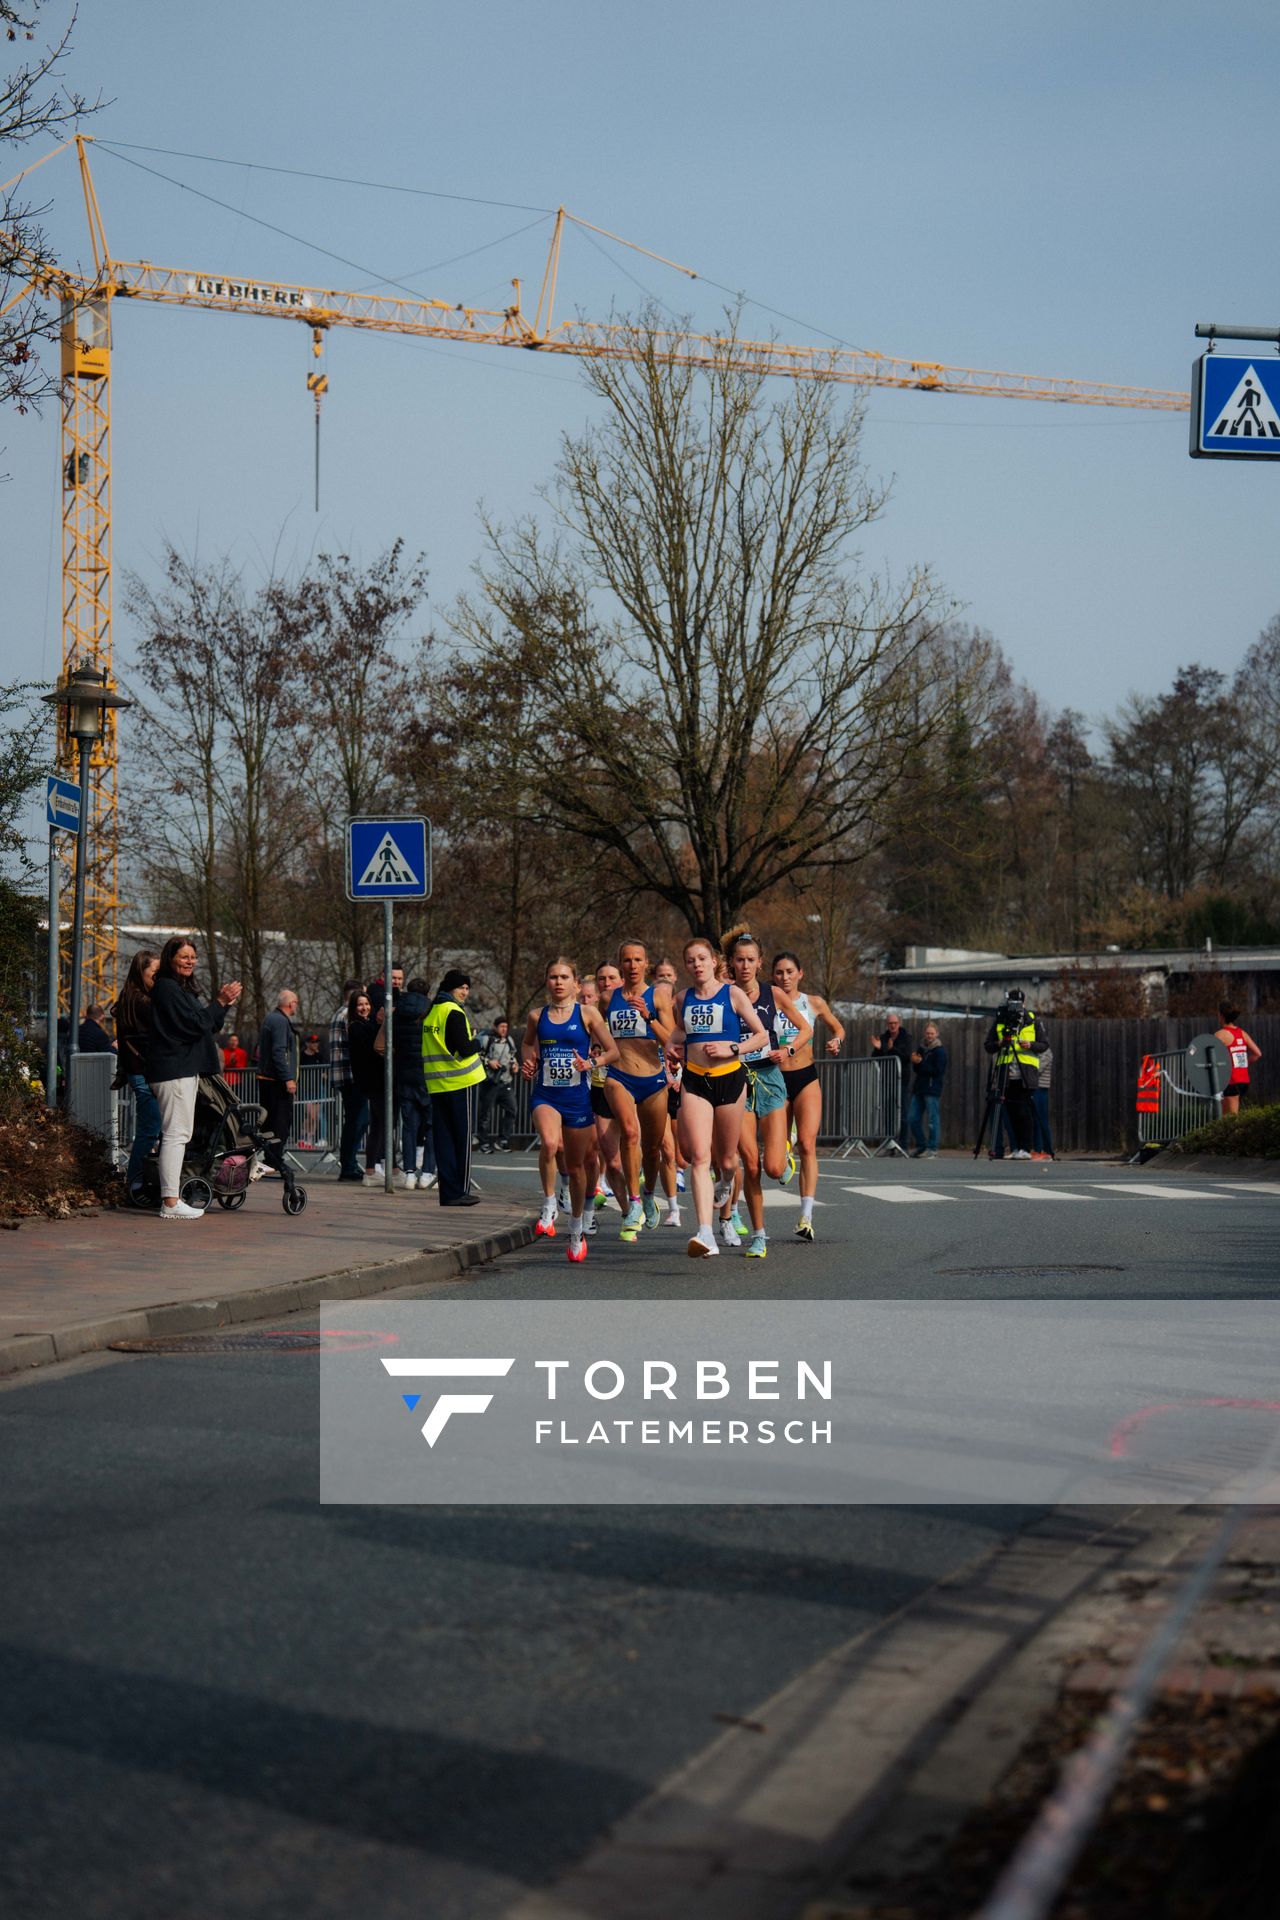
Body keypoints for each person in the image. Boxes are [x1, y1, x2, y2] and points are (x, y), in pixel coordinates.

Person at [670, 936, 769, 1258]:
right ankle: (705, 1233)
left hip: (729, 1079)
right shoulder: (682, 998)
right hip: (695, 1080)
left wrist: (734, 1047)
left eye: (702, 958)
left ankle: (726, 1181)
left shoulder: (733, 993)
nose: (696, 965)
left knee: (727, 1159)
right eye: (690, 960)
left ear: (714, 962)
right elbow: (677, 1034)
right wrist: (671, 1046)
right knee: (699, 1157)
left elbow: (762, 1035)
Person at [522, 958, 619, 1262]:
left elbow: (613, 1051)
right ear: (547, 981)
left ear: (576, 984)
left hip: (577, 1097)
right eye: (553, 977)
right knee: (550, 1143)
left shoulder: (587, 1014)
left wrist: (592, 1063)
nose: (558, 982)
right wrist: (528, 1062)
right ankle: (550, 1203)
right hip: (546, 1095)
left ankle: (576, 1227)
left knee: (577, 1167)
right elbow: (527, 1046)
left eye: (564, 977)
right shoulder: (537, 1016)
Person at [724, 930, 811, 1258]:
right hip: (737, 1082)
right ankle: (759, 1235)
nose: (745, 965)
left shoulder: (772, 994)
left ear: (759, 963)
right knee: (750, 1162)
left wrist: (786, 1051)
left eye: (750, 960)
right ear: (731, 963)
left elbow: (806, 1029)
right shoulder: (725, 996)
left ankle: (784, 1157)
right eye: (739, 960)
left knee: (773, 1167)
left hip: (770, 1078)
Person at [147, 936, 241, 1220]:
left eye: (193, 957)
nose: (190, 961)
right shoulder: (166, 988)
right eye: (184, 956)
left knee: (179, 1134)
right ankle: (171, 1202)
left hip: (182, 1069)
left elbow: (205, 1022)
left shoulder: (179, 988)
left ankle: (172, 1199)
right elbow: (193, 1025)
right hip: (174, 1070)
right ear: (170, 958)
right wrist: (219, 1002)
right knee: (176, 1135)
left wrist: (222, 1006)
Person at [770, 952, 846, 1243]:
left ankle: (806, 1216)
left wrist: (836, 1039)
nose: (784, 977)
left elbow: (837, 1026)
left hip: (805, 1077)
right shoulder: (768, 1002)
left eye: (789, 971)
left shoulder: (813, 1002)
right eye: (779, 972)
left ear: (800, 973)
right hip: (775, 1079)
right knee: (775, 1160)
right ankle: (783, 1148)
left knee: (809, 1143)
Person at [604, 939, 676, 1242]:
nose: (632, 966)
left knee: (653, 1148)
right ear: (620, 964)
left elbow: (672, 1041)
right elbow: (595, 1031)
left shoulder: (658, 995)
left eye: (638, 960)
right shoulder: (608, 999)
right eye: (627, 960)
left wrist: (648, 1015)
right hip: (619, 1076)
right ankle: (634, 1203)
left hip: (653, 1078)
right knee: (630, 1134)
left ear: (646, 964)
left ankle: (648, 1193)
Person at [421, 968, 485, 1206]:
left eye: (467, 988)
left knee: (444, 1140)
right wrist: (478, 1041)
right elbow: (465, 1048)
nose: (465, 992)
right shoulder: (453, 1012)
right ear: (450, 988)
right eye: (462, 987)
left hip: (437, 1084)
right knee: (462, 1139)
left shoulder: (432, 1011)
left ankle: (448, 1193)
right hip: (460, 1082)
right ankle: (461, 1190)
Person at [111, 949, 161, 1201]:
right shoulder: (142, 1001)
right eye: (155, 973)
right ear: (141, 972)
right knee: (150, 1128)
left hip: (138, 1072)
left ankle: (139, 1181)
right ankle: (136, 1183)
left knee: (151, 1128)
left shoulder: (129, 997)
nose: (159, 978)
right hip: (143, 1072)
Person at [983, 988, 1046, 1160]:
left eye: (1017, 1002)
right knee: (1010, 1113)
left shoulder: (1032, 1019)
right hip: (1006, 1074)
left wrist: (1030, 1045)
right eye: (1012, 1002)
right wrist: (1000, 1043)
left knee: (1024, 1111)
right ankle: (1016, 1147)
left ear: (1024, 1003)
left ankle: (1025, 1148)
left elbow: (1044, 1045)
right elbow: (988, 1045)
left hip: (1025, 1074)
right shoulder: (1001, 1020)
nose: (1015, 1006)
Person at [395, 976, 436, 1190]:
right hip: (427, 1075)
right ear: (427, 993)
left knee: (409, 1127)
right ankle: (427, 1172)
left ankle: (409, 1173)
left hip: (403, 1073)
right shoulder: (431, 1010)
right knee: (432, 1126)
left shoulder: (396, 1010)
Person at [346, 989, 387, 1179]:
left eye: (367, 1004)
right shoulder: (356, 1026)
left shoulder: (366, 1024)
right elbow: (372, 1047)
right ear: (354, 1008)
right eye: (360, 1005)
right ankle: (372, 1167)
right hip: (369, 1081)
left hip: (374, 1080)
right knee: (377, 1123)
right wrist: (379, 1024)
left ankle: (376, 1166)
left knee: (379, 1122)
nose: (365, 1008)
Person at [256, 990, 299, 1173]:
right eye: (296, 1002)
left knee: (270, 1122)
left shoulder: (271, 1018)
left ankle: (270, 1159)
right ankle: (274, 1160)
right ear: (291, 1004)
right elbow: (279, 1052)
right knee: (280, 1123)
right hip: (276, 1081)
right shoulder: (281, 1021)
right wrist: (288, 1078)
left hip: (268, 1079)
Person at [329, 979, 365, 1182]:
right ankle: (348, 1165)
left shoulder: (339, 1013)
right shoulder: (347, 1016)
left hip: (344, 1074)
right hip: (351, 1075)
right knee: (357, 1120)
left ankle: (349, 1163)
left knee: (356, 1119)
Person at [870, 1010, 914, 1149]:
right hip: (887, 1080)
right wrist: (877, 1049)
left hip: (902, 1081)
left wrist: (892, 1049)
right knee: (888, 1113)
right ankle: (890, 1145)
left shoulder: (906, 1037)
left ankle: (903, 1145)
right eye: (890, 1023)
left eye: (895, 1023)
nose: (893, 1026)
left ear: (899, 1023)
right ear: (887, 1024)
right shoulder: (883, 1037)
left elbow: (907, 1056)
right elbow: (875, 1059)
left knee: (903, 1114)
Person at [479, 1016, 519, 1152]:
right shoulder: (486, 1040)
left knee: (512, 1109)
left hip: (506, 1081)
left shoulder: (509, 1040)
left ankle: (503, 1140)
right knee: (486, 1114)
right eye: (501, 1026)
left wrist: (515, 1065)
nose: (504, 1029)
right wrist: (488, 1062)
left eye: (506, 1027)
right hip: (490, 1082)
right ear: (495, 1027)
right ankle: (483, 1143)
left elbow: (513, 1056)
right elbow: (476, 1056)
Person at [907, 1022, 947, 1158]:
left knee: (932, 1119)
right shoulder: (921, 1048)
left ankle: (932, 1148)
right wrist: (915, 1062)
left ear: (937, 1034)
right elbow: (917, 1069)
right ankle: (921, 1145)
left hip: (932, 1089)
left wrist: (921, 1063)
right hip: (919, 1088)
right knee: (912, 1118)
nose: (929, 1035)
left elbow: (938, 1071)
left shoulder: (940, 1051)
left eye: (932, 1033)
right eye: (927, 1033)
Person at [1215, 1003, 1262, 1117]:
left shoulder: (1220, 1035)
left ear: (1221, 1015)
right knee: (1228, 1116)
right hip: (1243, 1081)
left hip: (1231, 1081)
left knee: (1229, 1120)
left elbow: (1207, 1055)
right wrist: (1243, 1064)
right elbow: (1257, 1054)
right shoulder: (1242, 1033)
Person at [1031, 1044, 1054, 1160]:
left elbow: (1037, 1068)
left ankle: (1046, 1150)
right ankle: (1037, 1149)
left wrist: (1027, 1069)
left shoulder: (1045, 1051)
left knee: (1041, 1119)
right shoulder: (1034, 1050)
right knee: (1035, 1120)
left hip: (1040, 1087)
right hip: (1032, 1087)